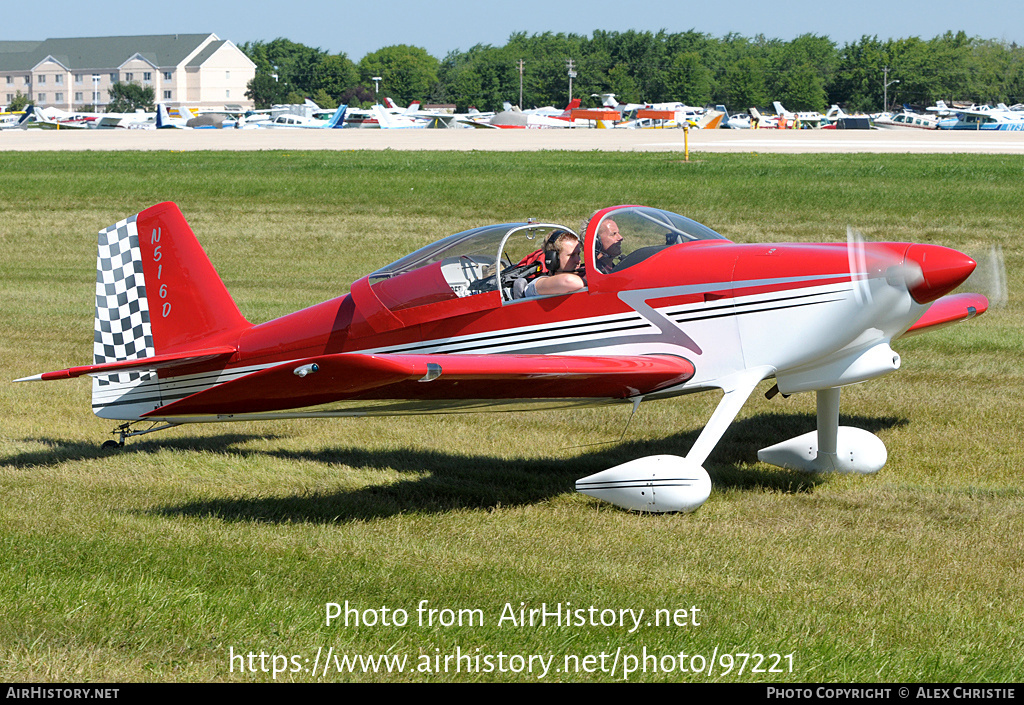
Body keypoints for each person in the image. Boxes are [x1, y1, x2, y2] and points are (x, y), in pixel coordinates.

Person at [516, 231, 585, 298]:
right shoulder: (538, 284)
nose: (578, 260)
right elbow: (568, 281)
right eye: (571, 255)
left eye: (578, 254)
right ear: (553, 259)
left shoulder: (579, 276)